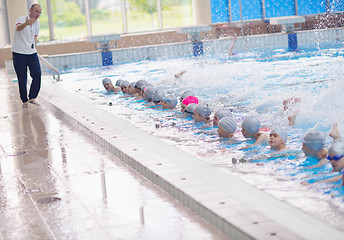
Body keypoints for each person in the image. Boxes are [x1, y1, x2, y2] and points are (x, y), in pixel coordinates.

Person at [12, 3, 42, 108]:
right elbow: (18, 28)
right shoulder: (22, 18)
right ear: (30, 10)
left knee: (37, 74)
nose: (37, 14)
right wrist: (26, 23)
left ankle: (32, 97)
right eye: (36, 11)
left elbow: (35, 37)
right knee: (22, 77)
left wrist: (35, 49)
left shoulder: (37, 23)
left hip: (31, 52)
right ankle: (24, 100)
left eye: (39, 12)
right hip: (19, 53)